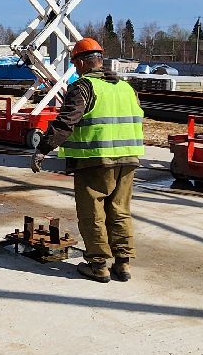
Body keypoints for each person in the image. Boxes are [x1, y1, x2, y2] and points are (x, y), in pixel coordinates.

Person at [30, 37, 145, 282]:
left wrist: (43, 149)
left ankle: (98, 265)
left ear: (82, 62)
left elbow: (66, 122)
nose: (75, 68)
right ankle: (123, 263)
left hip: (95, 160)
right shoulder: (125, 88)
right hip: (128, 158)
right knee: (120, 211)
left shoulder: (83, 87)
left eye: (75, 63)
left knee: (92, 212)